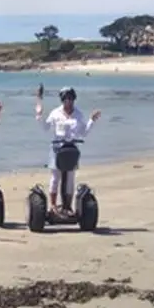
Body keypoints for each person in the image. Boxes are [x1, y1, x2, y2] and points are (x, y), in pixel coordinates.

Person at [35, 85, 102, 213]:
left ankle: (67, 206)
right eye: (66, 100)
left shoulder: (78, 114)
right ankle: (53, 206)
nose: (68, 102)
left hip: (72, 149)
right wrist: (39, 115)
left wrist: (92, 120)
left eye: (71, 99)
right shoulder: (55, 113)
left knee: (70, 178)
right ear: (62, 100)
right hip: (57, 149)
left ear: (74, 99)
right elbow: (45, 127)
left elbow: (84, 132)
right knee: (55, 177)